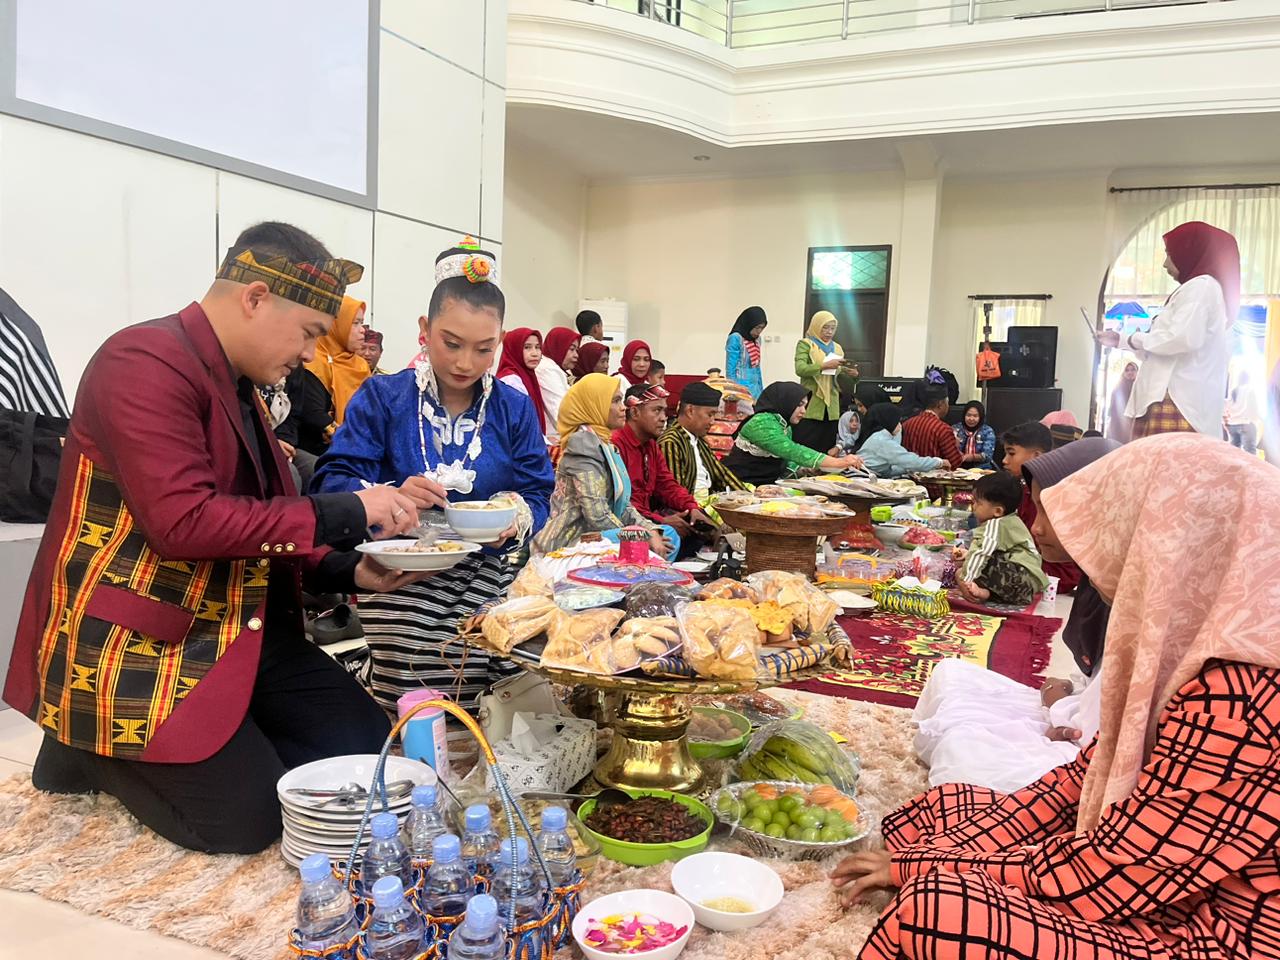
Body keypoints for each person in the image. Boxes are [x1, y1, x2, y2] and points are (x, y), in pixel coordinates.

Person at [3, 221, 432, 854]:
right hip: (140, 644)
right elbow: (184, 522)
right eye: (310, 332)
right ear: (255, 297)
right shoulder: (141, 362)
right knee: (249, 822)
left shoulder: (238, 383)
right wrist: (351, 509)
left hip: (238, 628)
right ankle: (84, 750)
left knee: (371, 755)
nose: (313, 354)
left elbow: (266, 516)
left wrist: (351, 570)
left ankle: (226, 735)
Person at [837, 433, 1280, 960]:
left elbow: (1120, 871)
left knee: (933, 908)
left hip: (1205, 931)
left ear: (1176, 539)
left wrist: (924, 869)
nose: (1046, 531)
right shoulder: (1192, 645)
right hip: (1148, 872)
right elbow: (1082, 778)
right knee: (934, 813)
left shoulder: (1247, 689)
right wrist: (934, 853)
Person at [314, 240, 555, 712]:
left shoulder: (513, 407)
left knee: (499, 691)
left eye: (484, 348)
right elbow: (331, 481)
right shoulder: (383, 397)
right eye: (452, 343)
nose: (466, 362)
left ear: (499, 342)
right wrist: (387, 495)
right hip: (403, 579)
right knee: (420, 704)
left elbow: (538, 490)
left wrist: (516, 514)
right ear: (425, 330)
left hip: (491, 576)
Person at [914, 437, 1119, 794]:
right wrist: (1072, 691)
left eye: (1049, 511)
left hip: (1089, 762)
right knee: (950, 674)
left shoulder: (1153, 600)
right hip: (1074, 714)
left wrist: (1066, 711)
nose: (1036, 527)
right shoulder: (1102, 578)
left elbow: (1115, 737)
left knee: (964, 751)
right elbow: (1100, 678)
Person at [1098, 221, 1240, 438]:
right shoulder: (1197, 288)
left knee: (1163, 469)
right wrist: (1121, 340)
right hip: (1171, 398)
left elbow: (1181, 339)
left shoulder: (1201, 287)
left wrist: (1133, 339)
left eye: (1170, 254)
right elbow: (1169, 343)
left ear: (1189, 252)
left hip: (1177, 400)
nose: (1165, 264)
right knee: (1154, 468)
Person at [532, 373, 671, 559]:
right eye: (615, 401)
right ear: (594, 405)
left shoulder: (605, 444)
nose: (623, 408)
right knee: (649, 546)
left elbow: (624, 506)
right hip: (572, 541)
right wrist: (639, 536)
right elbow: (596, 514)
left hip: (599, 535)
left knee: (667, 535)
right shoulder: (582, 444)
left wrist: (650, 529)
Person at [612, 383, 716, 557]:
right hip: (623, 522)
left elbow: (667, 484)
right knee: (669, 534)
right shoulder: (616, 444)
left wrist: (692, 508)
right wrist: (660, 521)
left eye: (664, 412)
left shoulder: (650, 444)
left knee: (695, 527)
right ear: (635, 413)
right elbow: (623, 504)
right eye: (656, 411)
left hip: (646, 518)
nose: (663, 418)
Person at [721, 381, 862, 487]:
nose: (803, 411)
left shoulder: (784, 425)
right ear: (785, 401)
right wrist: (839, 462)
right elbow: (792, 451)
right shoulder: (761, 421)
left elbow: (784, 459)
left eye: (805, 406)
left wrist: (804, 470)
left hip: (765, 485)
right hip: (739, 485)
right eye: (799, 404)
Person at [1001, 421, 1082, 595]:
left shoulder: (1051, 492)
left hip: (1056, 576)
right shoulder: (1026, 487)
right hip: (1034, 564)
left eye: (1011, 453)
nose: (1004, 461)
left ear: (1036, 456)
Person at [952, 471, 1048, 605]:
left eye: (977, 503)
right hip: (1025, 585)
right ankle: (986, 593)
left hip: (1019, 580)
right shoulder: (1011, 520)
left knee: (965, 568)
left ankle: (973, 591)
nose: (973, 507)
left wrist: (965, 580)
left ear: (997, 511)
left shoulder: (995, 524)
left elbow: (981, 552)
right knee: (972, 561)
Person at [658, 381, 748, 498]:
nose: (712, 421)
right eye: (710, 415)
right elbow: (675, 494)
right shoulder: (670, 443)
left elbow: (722, 474)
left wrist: (748, 497)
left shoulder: (698, 440)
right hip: (690, 511)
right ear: (690, 411)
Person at [793, 311, 858, 452]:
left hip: (832, 404)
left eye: (832, 328)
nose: (829, 332)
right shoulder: (806, 344)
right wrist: (823, 365)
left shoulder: (837, 348)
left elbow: (838, 373)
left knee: (827, 443)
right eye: (825, 327)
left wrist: (851, 374)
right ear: (816, 326)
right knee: (807, 443)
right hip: (812, 400)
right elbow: (800, 369)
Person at [304, 294, 371, 430]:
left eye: (362, 323)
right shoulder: (314, 362)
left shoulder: (360, 366)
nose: (362, 330)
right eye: (355, 323)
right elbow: (314, 416)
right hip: (322, 447)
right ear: (336, 325)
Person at [854, 403, 946, 478]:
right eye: (897, 421)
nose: (899, 425)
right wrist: (939, 462)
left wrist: (907, 469)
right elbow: (911, 461)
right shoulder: (881, 440)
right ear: (889, 420)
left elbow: (887, 470)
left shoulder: (879, 437)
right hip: (861, 480)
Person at [495, 326, 550, 440]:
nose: (535, 353)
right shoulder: (510, 381)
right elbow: (522, 425)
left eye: (538, 347)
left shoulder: (527, 376)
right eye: (527, 347)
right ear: (514, 349)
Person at [900, 384, 963, 468]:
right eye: (947, 402)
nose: (948, 407)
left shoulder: (907, 424)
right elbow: (955, 462)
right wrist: (956, 445)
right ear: (940, 404)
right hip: (933, 479)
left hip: (908, 477)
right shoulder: (943, 429)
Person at [536, 327, 579, 447]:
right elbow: (561, 413)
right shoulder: (547, 370)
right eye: (571, 349)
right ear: (558, 346)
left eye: (577, 350)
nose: (576, 355)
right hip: (554, 440)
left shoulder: (556, 369)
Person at [725, 305, 767, 400]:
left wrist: (761, 390)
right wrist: (733, 391)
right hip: (740, 387)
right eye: (757, 327)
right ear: (749, 324)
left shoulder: (757, 340)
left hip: (755, 387)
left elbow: (757, 367)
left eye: (762, 328)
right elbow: (730, 368)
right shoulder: (736, 338)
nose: (759, 331)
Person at [1224, 369, 1261, 454]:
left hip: (1232, 425)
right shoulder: (1249, 390)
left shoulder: (1232, 391)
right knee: (1250, 454)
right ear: (1248, 379)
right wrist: (1256, 420)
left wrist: (1227, 422)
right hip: (1246, 424)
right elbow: (1254, 409)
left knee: (1234, 454)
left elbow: (1227, 408)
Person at [952, 400, 996, 470]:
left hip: (981, 470)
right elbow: (949, 451)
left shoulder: (988, 431)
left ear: (981, 417)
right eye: (968, 415)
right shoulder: (956, 429)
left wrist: (970, 457)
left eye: (975, 416)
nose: (971, 419)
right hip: (958, 468)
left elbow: (987, 456)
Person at [1105, 360, 1138, 443]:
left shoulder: (1140, 387)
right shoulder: (1118, 388)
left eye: (1133, 370)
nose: (1130, 372)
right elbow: (1113, 409)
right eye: (1127, 370)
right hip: (1118, 425)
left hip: (1134, 424)